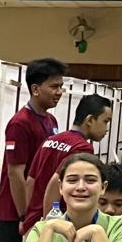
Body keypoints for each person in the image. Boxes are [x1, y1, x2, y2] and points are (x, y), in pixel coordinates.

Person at [0, 56, 66, 242]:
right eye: (54, 86)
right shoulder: (20, 123)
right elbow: (16, 173)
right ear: (35, 89)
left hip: (36, 210)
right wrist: (24, 215)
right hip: (14, 212)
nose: (59, 92)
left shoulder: (51, 120)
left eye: (61, 86)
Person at [22, 93, 113, 234]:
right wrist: (50, 225)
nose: (106, 129)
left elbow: (30, 181)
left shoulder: (51, 140)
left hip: (33, 224)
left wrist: (28, 217)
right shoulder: (82, 147)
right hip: (57, 226)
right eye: (105, 121)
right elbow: (54, 184)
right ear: (90, 120)